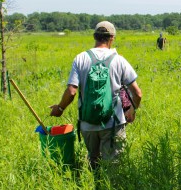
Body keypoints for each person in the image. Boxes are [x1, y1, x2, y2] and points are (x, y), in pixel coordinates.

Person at [49, 21, 142, 169]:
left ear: (95, 36)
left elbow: (71, 91)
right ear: (112, 38)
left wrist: (60, 109)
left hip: (88, 124)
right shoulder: (119, 60)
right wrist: (132, 109)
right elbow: (137, 93)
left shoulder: (80, 58)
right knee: (113, 167)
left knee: (94, 163)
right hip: (113, 124)